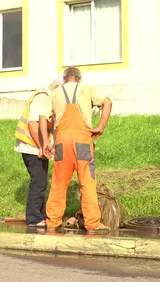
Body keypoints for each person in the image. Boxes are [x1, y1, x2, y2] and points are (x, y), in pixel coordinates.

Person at [39, 67, 113, 233]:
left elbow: (42, 117)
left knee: (58, 183)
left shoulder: (54, 94)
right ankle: (93, 224)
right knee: (87, 182)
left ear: (64, 79)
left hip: (61, 142)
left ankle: (53, 222)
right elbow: (107, 102)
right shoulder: (87, 89)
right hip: (82, 141)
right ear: (79, 79)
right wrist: (100, 127)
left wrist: (45, 142)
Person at [14, 77, 63, 227]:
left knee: (40, 181)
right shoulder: (43, 97)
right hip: (32, 147)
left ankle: (40, 215)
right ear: (56, 87)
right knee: (38, 181)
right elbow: (32, 123)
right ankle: (34, 218)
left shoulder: (44, 97)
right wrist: (41, 146)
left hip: (33, 146)